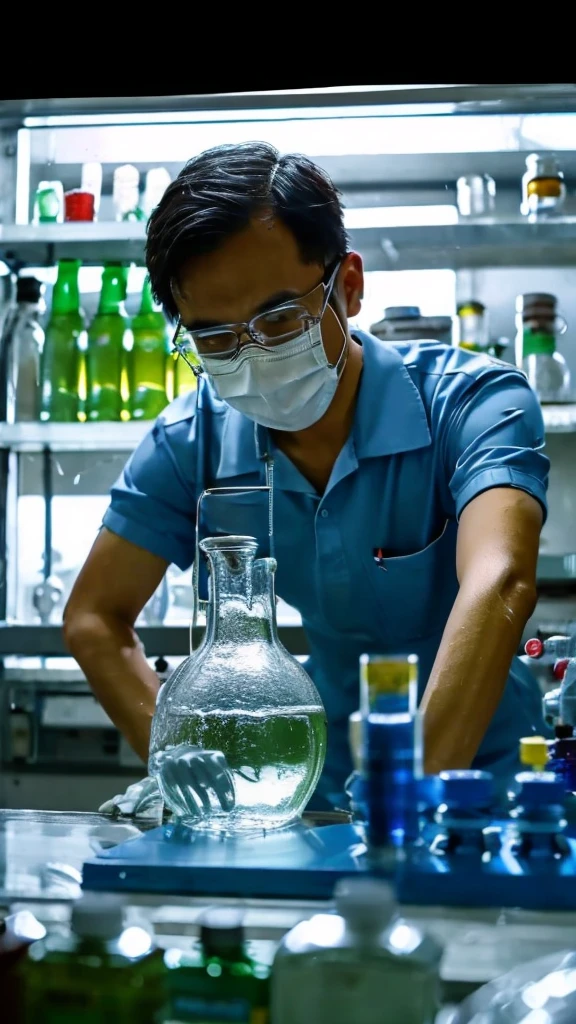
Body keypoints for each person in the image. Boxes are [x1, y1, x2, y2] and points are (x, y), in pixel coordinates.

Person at [64, 141, 549, 814]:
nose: (251, 355)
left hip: (486, 793)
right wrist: (181, 765)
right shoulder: (192, 439)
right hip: (304, 801)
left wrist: (406, 792)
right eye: (214, 339)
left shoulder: (472, 403)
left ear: (347, 285)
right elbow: (93, 616)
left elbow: (502, 581)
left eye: (279, 319)